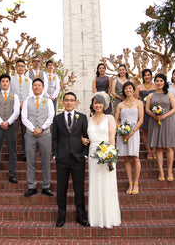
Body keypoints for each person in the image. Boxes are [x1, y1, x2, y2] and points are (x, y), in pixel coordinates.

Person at [82, 92, 121, 228]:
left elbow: (112, 137)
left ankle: (108, 218)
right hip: (93, 153)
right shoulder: (90, 119)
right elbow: (87, 136)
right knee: (95, 183)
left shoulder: (109, 118)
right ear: (92, 105)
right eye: (95, 103)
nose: (97, 105)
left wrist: (111, 155)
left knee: (106, 183)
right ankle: (95, 218)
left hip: (106, 152)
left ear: (104, 105)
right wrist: (84, 140)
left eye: (100, 103)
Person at [52, 92, 90, 228]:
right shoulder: (57, 119)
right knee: (61, 190)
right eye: (66, 100)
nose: (69, 102)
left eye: (71, 100)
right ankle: (61, 217)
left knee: (79, 190)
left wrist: (84, 154)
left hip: (78, 159)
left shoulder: (82, 118)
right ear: (62, 102)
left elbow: (86, 137)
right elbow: (55, 138)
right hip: (62, 159)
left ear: (75, 102)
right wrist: (56, 154)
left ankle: (81, 217)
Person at [21, 78, 55, 197]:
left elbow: (51, 116)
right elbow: (24, 117)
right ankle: (32, 186)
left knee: (46, 161)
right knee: (31, 161)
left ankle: (46, 186)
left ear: (43, 87)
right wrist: (33, 129)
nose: (36, 87)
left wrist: (42, 128)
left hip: (45, 135)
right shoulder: (27, 101)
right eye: (34, 85)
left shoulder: (48, 101)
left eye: (39, 85)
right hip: (30, 135)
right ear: (32, 87)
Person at [0, 73, 20, 185]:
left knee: (12, 150)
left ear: (9, 83)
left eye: (7, 81)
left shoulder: (14, 96)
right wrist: (1, 122)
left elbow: (16, 111)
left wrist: (8, 122)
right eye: (3, 81)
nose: (5, 83)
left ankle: (12, 174)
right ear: (0, 83)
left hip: (11, 126)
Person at [146, 74, 175, 182]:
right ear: (155, 82)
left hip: (167, 122)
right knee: (158, 147)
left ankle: (169, 170)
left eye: (161, 81)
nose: (159, 83)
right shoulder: (151, 95)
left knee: (168, 147)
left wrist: (165, 115)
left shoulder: (169, 94)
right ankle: (161, 171)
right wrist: (154, 115)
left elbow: (174, 108)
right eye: (157, 81)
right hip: (155, 122)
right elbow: (147, 109)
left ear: (164, 82)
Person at [115, 82, 143, 194]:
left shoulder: (139, 103)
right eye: (126, 88)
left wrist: (132, 131)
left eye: (130, 88)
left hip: (134, 132)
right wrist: (121, 130)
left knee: (135, 157)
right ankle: (130, 183)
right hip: (123, 134)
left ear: (133, 89)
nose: (128, 90)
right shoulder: (120, 105)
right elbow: (116, 119)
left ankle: (136, 183)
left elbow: (141, 119)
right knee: (126, 158)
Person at [10, 59, 33, 162]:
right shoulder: (10, 79)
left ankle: (25, 153)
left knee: (26, 132)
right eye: (18, 66)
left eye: (22, 66)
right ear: (15, 67)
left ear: (25, 68)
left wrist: (23, 103)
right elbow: (9, 92)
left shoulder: (29, 80)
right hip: (14, 108)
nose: (20, 68)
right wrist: (16, 103)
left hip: (25, 108)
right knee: (13, 132)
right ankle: (13, 153)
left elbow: (31, 94)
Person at [134, 68, 156, 160]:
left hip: (154, 110)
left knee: (155, 131)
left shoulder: (156, 85)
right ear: (143, 77)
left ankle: (154, 150)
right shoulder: (139, 87)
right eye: (145, 75)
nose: (147, 76)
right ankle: (149, 151)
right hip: (143, 111)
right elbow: (136, 99)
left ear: (151, 76)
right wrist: (142, 104)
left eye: (148, 75)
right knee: (145, 131)